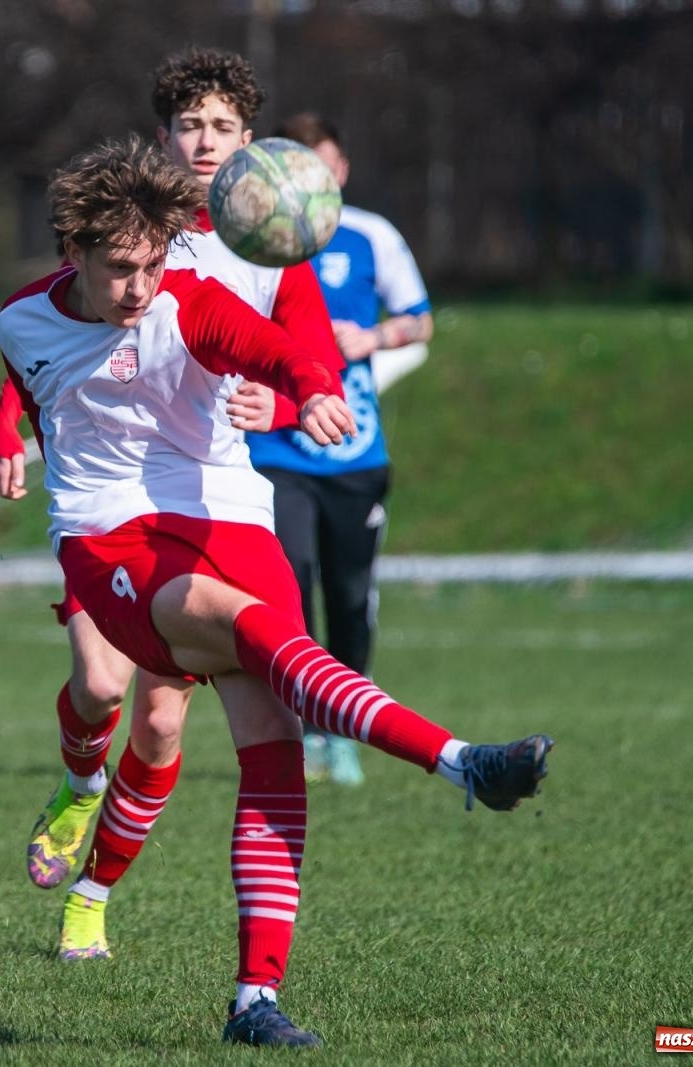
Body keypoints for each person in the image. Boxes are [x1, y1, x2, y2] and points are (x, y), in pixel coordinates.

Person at [0, 135, 552, 1047]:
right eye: (120, 269)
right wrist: (9, 444)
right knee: (238, 637)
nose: (140, 288)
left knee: (274, 742)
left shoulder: (188, 299)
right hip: (112, 538)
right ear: (74, 253)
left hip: (229, 515)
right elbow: (38, 402)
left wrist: (313, 390)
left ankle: (255, 998)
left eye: (152, 265)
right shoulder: (20, 322)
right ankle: (461, 762)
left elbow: (274, 349)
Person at [0, 47, 342, 962]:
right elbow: (47, 335)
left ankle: (93, 895)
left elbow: (309, 358)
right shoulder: (134, 224)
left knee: (158, 722)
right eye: (190, 125)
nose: (206, 141)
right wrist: (3, 426)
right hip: (104, 509)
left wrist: (287, 406)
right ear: (163, 135)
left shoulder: (274, 244)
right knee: (101, 686)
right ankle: (78, 783)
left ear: (250, 140)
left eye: (223, 126)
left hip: (203, 503)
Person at [247, 112, 438, 787]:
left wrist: (373, 338)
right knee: (290, 584)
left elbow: (420, 321)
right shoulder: (250, 238)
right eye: (294, 166)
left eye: (320, 166)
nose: (308, 180)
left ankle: (345, 730)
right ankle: (301, 728)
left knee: (351, 597)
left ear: (342, 171)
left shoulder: (370, 235)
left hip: (354, 451)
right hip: (275, 448)